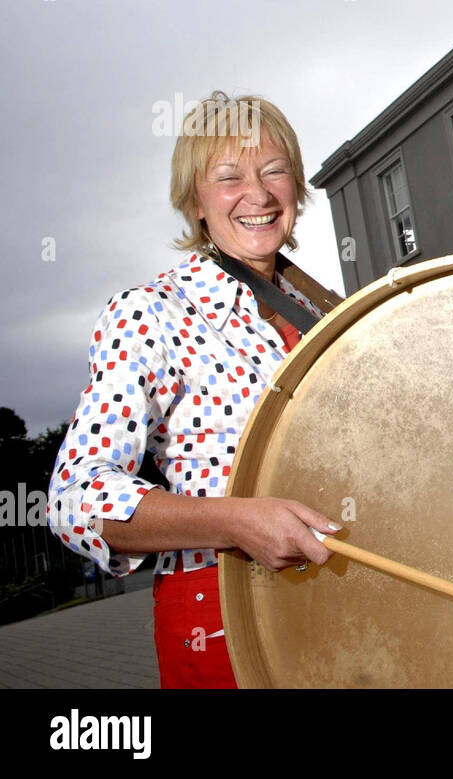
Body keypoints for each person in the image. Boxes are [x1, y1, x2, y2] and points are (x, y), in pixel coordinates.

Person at [46, 92, 342, 688]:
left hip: (343, 597)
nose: (257, 196)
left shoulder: (319, 304)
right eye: (229, 177)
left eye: (273, 171)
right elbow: (76, 498)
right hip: (225, 616)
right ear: (195, 201)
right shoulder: (151, 313)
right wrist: (234, 521)